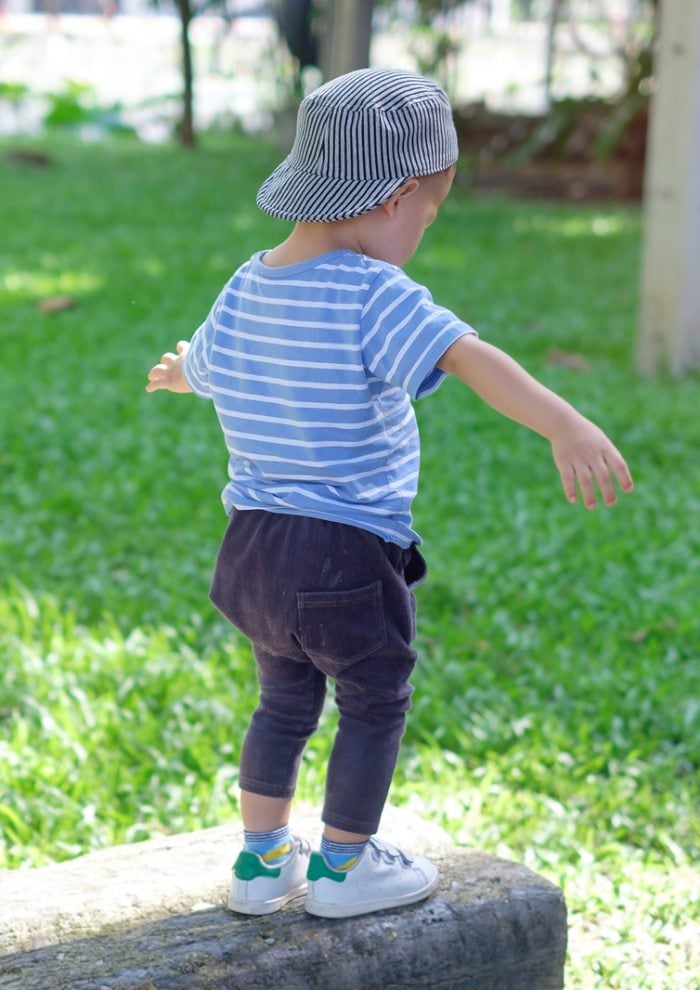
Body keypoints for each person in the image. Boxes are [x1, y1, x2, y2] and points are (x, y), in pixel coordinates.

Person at [146, 67, 633, 920]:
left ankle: (261, 864)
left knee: (283, 699)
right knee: (375, 697)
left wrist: (181, 373)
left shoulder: (248, 282)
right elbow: (466, 356)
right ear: (396, 196)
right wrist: (563, 424)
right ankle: (343, 866)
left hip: (252, 549)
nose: (425, 230)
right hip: (342, 548)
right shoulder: (373, 291)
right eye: (431, 213)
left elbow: (211, 367)